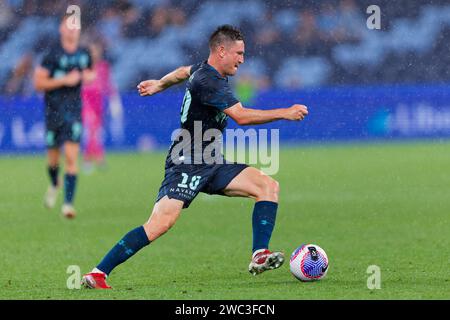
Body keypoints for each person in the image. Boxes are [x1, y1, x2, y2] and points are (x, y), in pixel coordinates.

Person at [81, 25, 308, 289]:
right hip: (186, 159)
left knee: (267, 186)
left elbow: (181, 72)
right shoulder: (208, 80)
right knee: (160, 223)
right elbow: (242, 117)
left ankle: (260, 255)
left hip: (211, 158)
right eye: (239, 53)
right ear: (221, 51)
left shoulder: (203, 70)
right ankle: (98, 273)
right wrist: (285, 112)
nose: (242, 59)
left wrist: (159, 84)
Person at [34, 13, 93, 218]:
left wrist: (87, 76)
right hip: (53, 112)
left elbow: (91, 74)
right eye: (69, 26)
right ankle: (54, 182)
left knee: (70, 157)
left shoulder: (84, 53)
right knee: (52, 162)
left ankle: (68, 204)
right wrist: (64, 80)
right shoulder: (52, 55)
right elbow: (38, 83)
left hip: (73, 112)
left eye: (76, 26)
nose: (73, 29)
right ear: (61, 29)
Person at [81, 40, 118, 173]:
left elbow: (109, 84)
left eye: (96, 51)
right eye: (92, 51)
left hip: (99, 102)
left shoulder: (103, 66)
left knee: (95, 132)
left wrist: (114, 101)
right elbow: (82, 85)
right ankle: (97, 159)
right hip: (87, 101)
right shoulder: (84, 67)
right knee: (92, 130)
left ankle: (88, 159)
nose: (94, 54)